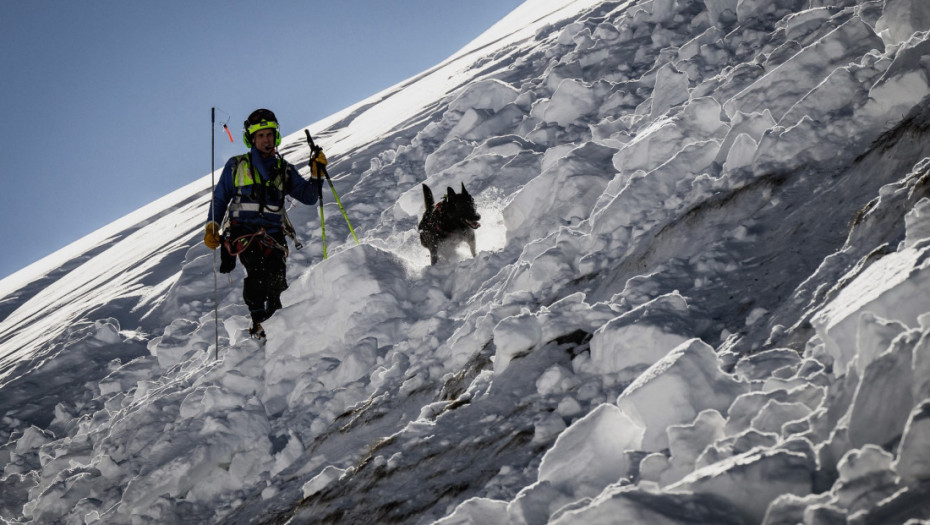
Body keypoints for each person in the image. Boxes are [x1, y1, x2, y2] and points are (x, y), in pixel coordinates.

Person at [203, 108, 326, 340]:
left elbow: (309, 196)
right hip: (242, 232)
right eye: (260, 136)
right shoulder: (236, 165)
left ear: (276, 136)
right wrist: (212, 225)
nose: (266, 140)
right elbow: (220, 198)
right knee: (257, 272)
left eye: (269, 134)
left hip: (273, 234)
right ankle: (259, 322)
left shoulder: (284, 169)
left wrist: (316, 174)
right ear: (251, 139)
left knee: (277, 280)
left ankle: (276, 325)